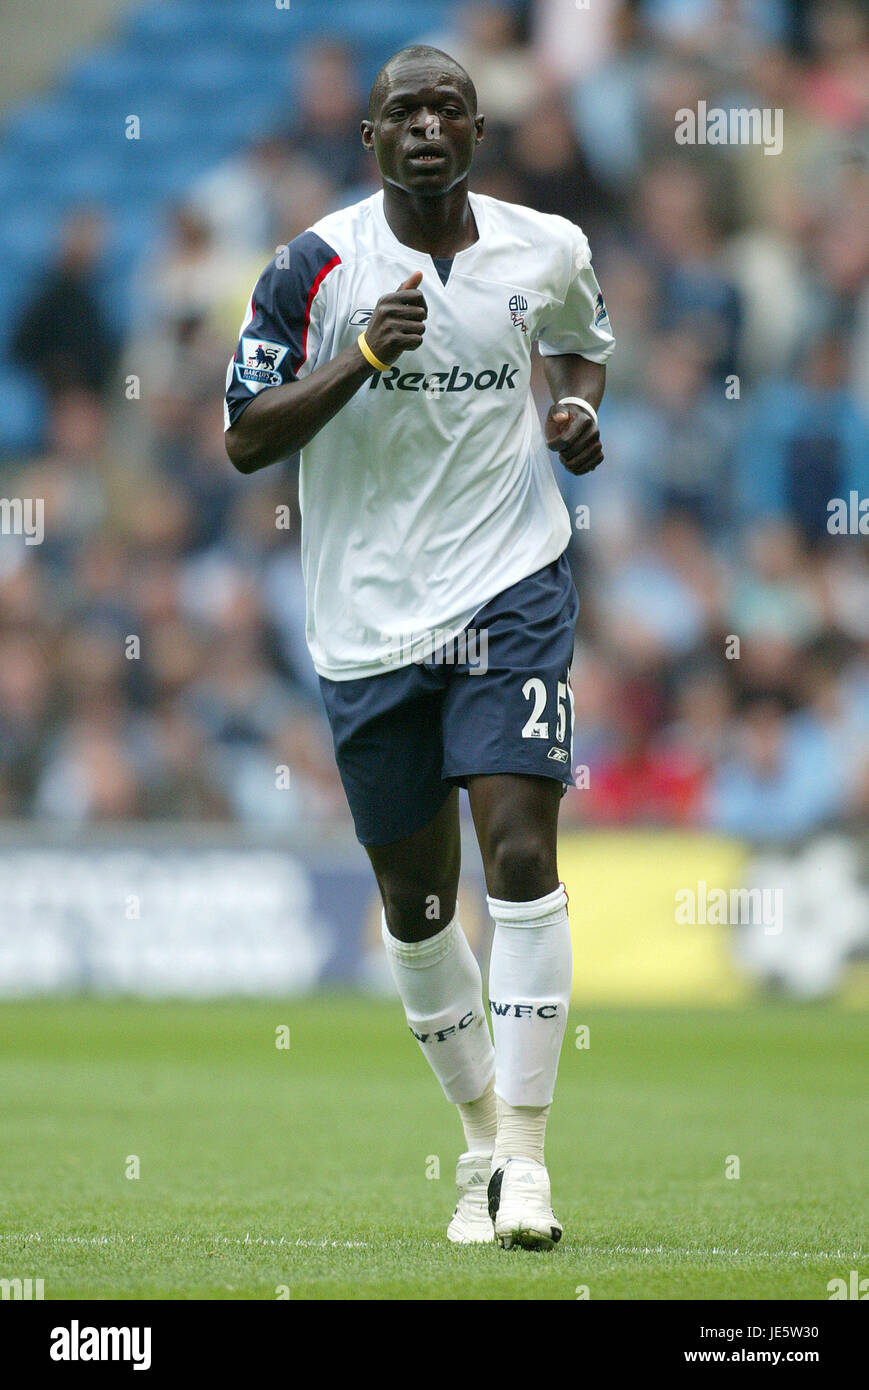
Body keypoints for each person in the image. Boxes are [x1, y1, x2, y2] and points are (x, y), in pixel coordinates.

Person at [224, 46, 614, 1249]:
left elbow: (578, 337)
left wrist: (576, 407)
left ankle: (530, 1162)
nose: (428, 125)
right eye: (404, 111)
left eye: (448, 107)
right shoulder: (313, 267)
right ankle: (479, 1140)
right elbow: (244, 437)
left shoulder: (542, 245)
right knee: (414, 899)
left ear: (479, 133)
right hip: (366, 623)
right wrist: (363, 357)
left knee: (517, 846)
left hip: (509, 581)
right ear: (373, 141)